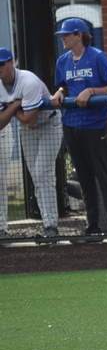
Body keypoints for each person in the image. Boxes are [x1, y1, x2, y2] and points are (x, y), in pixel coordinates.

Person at [51, 17, 107, 236]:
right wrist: (60, 91)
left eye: (66, 35)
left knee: (104, 175)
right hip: (71, 124)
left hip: (95, 125)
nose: (62, 38)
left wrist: (92, 91)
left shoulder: (97, 57)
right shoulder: (62, 60)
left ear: (79, 35)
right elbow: (63, 84)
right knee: (84, 177)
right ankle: (93, 225)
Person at [0, 48, 62, 240]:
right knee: (36, 176)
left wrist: (9, 108)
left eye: (1, 64)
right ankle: (48, 224)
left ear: (11, 63)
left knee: (42, 172)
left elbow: (30, 120)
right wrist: (16, 104)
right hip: (26, 130)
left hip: (49, 124)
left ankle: (51, 225)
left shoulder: (28, 80)